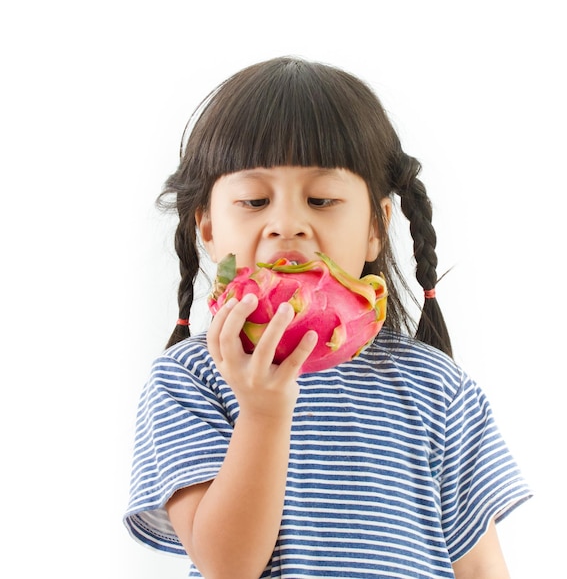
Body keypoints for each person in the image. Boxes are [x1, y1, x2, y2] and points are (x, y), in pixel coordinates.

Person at [124, 56, 531, 579]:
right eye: (252, 200)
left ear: (375, 228)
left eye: (321, 199)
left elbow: (481, 569)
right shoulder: (189, 378)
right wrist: (264, 413)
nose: (287, 224)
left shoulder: (437, 386)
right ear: (206, 229)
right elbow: (226, 566)